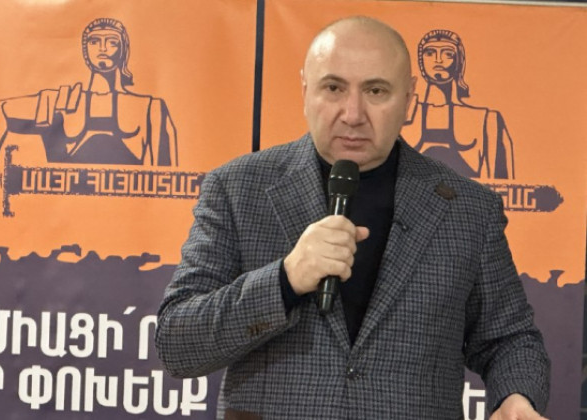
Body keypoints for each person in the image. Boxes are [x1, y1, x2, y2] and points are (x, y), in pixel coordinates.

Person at [155, 16, 549, 419]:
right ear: (305, 90)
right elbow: (176, 344)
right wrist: (284, 280)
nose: (353, 113)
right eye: (333, 88)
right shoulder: (237, 188)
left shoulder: (469, 208)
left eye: (376, 91)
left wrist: (516, 396)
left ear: (409, 99)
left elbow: (510, 339)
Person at [0, 18, 177, 187]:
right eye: (94, 41)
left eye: (112, 42)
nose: (103, 48)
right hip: (62, 216)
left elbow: (170, 178)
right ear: (86, 50)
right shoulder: (61, 101)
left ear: (123, 50)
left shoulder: (150, 108)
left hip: (125, 217)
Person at [402, 29, 515, 180]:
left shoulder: (487, 120)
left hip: (466, 195)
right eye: (430, 53)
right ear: (421, 62)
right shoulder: (401, 116)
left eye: (448, 53)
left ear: (459, 61)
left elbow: (504, 184)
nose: (438, 60)